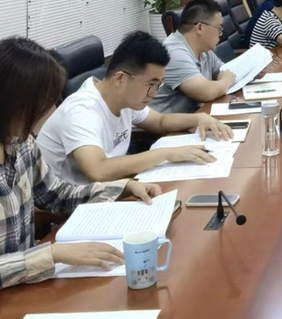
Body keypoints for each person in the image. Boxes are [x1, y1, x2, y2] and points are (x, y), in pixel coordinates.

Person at [0, 37, 162, 288]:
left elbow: (57, 195)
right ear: (12, 101)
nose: (49, 112)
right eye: (41, 104)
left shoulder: (22, 144)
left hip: (27, 287)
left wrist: (122, 188)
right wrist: (50, 253)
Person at [37, 31, 232, 185]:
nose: (153, 93)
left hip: (110, 186)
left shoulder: (123, 98)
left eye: (159, 85)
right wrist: (166, 154)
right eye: (151, 84)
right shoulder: (81, 111)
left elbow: (160, 121)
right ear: (121, 78)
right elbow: (98, 170)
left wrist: (199, 119)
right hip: (69, 205)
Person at [151, 0, 236, 114]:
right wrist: (225, 81)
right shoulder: (174, 53)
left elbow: (226, 71)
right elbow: (206, 92)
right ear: (200, 28)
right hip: (165, 124)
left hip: (192, 117)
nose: (221, 34)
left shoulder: (204, 50)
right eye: (219, 28)